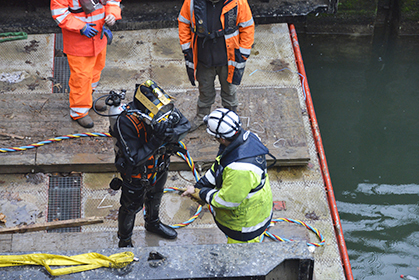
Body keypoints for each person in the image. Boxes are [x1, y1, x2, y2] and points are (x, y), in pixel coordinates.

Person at [109, 81, 190, 248]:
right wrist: (157, 139)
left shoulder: (164, 108)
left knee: (156, 195)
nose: (164, 115)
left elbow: (186, 125)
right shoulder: (126, 122)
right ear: (145, 112)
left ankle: (152, 223)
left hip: (160, 165)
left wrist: (172, 133)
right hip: (137, 174)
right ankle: (124, 241)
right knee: (130, 207)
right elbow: (134, 158)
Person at [181, 108, 273, 243]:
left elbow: (226, 201)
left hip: (245, 226)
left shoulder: (240, 170)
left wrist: (201, 194)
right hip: (250, 207)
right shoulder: (247, 139)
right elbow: (220, 166)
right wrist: (200, 185)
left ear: (222, 138)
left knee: (237, 258)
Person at [178, 0, 255, 131]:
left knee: (229, 89)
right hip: (203, 57)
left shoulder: (238, 2)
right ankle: (202, 115)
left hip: (228, 57)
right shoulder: (192, 2)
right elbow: (184, 22)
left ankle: (231, 116)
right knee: (205, 89)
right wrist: (187, 48)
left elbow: (247, 27)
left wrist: (243, 53)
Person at [51, 0, 121, 128]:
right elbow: (59, 14)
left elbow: (113, 2)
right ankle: (79, 111)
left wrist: (112, 15)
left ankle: (87, 99)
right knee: (81, 78)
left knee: (96, 71)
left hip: (99, 39)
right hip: (78, 44)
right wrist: (81, 27)